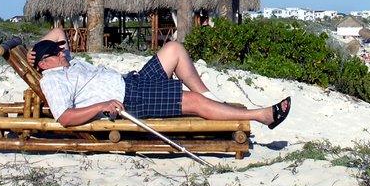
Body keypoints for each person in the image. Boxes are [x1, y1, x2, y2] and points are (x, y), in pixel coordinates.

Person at [28, 28, 291, 129]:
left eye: (61, 49)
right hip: (130, 99)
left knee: (174, 49)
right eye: (56, 52)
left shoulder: (64, 62)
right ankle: (261, 116)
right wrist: (101, 106)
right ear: (44, 63)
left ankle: (216, 102)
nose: (63, 51)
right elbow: (64, 118)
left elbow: (57, 31)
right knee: (193, 102)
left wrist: (37, 49)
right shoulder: (52, 80)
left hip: (133, 81)